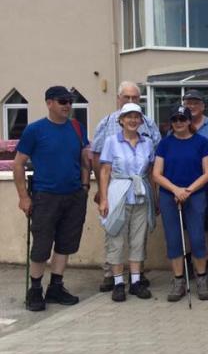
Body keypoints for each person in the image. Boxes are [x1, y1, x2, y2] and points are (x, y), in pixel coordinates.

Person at [13, 86, 90, 311]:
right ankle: (35, 290)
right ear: (49, 103)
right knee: (42, 245)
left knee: (66, 243)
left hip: (74, 195)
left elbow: (85, 158)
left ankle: (56, 287)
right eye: (62, 101)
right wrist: (23, 197)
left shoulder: (77, 127)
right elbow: (18, 164)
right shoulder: (35, 130)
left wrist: (85, 186)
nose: (67, 105)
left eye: (69, 101)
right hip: (45, 196)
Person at [91, 82, 161, 292]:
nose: (133, 120)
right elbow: (104, 169)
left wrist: (154, 197)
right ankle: (118, 282)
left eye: (136, 116)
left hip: (141, 195)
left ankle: (136, 281)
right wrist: (103, 197)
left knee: (139, 239)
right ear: (121, 119)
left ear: (140, 120)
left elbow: (151, 170)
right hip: (118, 193)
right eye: (128, 116)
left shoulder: (147, 140)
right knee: (115, 237)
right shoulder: (110, 137)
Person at [152, 105, 208, 302]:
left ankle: (201, 278)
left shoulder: (201, 142)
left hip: (195, 195)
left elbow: (207, 172)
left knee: (197, 238)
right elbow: (156, 174)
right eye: (175, 119)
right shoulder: (165, 144)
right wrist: (176, 190)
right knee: (174, 239)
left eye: (182, 119)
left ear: (189, 121)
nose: (178, 123)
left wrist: (188, 190)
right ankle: (178, 280)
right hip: (170, 195)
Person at [182, 89, 208, 284]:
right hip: (182, 185)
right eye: (188, 103)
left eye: (195, 103)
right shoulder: (178, 124)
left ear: (203, 106)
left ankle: (207, 264)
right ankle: (190, 263)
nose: (191, 106)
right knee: (187, 227)